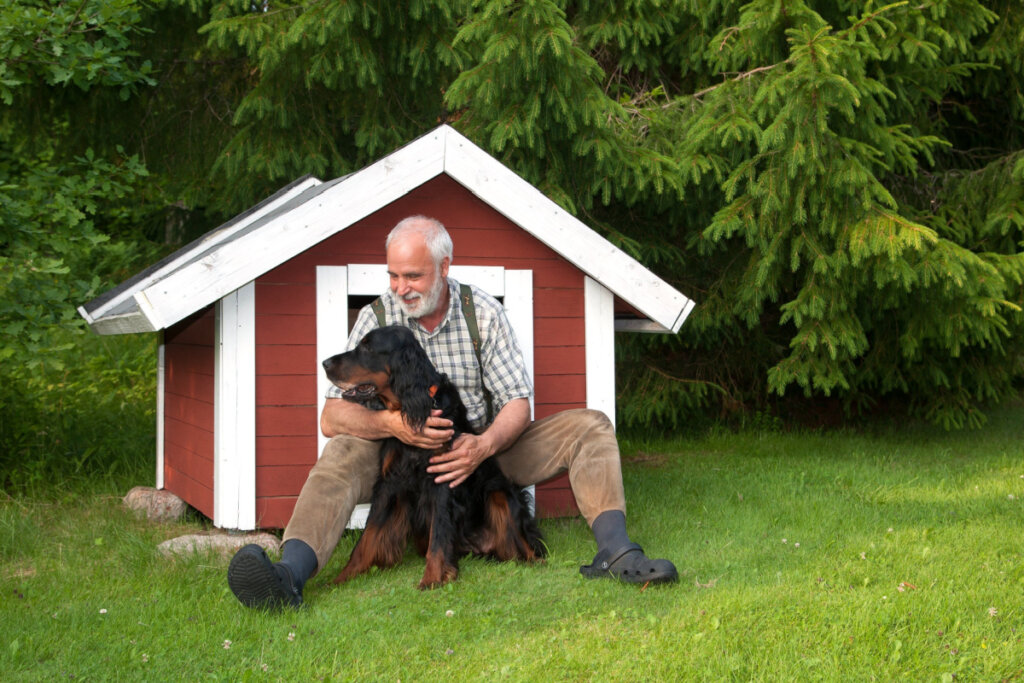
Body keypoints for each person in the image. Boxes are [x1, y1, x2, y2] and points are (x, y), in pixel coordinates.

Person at [227, 215, 678, 608]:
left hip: (482, 447)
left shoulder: (481, 312)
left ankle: (619, 554)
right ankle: (289, 575)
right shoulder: (377, 316)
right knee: (340, 453)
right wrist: (394, 425)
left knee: (591, 426)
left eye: (413, 276)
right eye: (393, 276)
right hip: (397, 448)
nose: (401, 288)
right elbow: (331, 419)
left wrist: (481, 446)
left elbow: (518, 404)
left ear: (445, 268)